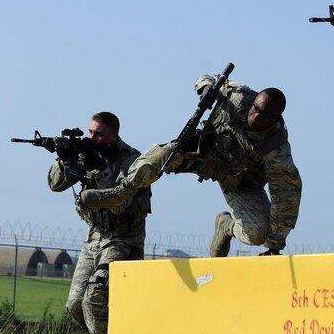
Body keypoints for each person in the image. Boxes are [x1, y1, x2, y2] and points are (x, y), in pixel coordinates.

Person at [81, 74, 302, 257]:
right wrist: (205, 88)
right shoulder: (237, 96)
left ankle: (225, 226)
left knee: (256, 234)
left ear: (275, 118)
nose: (255, 116)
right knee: (161, 154)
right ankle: (122, 190)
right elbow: (207, 77)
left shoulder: (276, 149)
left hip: (239, 181)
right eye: (255, 109)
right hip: (202, 152)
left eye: (264, 116)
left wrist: (274, 245)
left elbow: (287, 195)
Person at [48, 112, 151, 334]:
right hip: (94, 237)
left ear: (114, 134)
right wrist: (65, 161)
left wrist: (100, 166)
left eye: (99, 134)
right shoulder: (86, 153)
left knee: (94, 298)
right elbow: (56, 185)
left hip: (123, 240)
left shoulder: (133, 160)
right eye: (90, 132)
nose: (92, 138)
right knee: (75, 304)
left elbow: (119, 202)